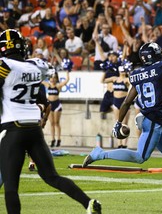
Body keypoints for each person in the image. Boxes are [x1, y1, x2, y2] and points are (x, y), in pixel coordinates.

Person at [83, 27, 162, 202]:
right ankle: (99, 153)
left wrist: (118, 122)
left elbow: (127, 101)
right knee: (140, 157)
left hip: (148, 118)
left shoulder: (137, 74)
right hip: (152, 121)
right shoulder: (161, 69)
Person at [0, 29, 101, 214]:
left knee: (11, 187)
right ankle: (88, 203)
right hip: (34, 128)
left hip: (12, 128)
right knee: (52, 176)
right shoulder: (37, 65)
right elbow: (47, 71)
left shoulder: (4, 65)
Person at [41, 59, 71, 147]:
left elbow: (67, 80)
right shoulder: (48, 85)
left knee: (57, 122)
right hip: (50, 104)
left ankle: (59, 139)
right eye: (51, 78)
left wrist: (67, 71)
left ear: (56, 79)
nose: (52, 79)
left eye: (54, 78)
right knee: (51, 123)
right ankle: (53, 139)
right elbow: (40, 80)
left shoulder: (58, 86)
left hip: (57, 104)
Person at [103, 61, 131, 148]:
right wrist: (106, 70)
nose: (122, 72)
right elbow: (103, 80)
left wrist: (129, 72)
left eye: (123, 71)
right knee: (117, 123)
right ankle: (119, 143)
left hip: (124, 102)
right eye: (121, 71)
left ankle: (124, 143)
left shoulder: (126, 80)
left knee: (125, 124)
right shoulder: (115, 79)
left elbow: (133, 82)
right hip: (116, 102)